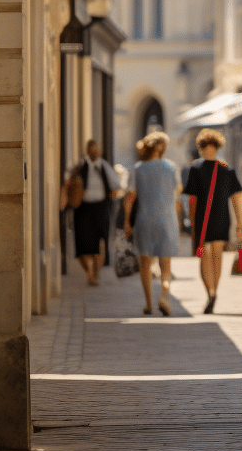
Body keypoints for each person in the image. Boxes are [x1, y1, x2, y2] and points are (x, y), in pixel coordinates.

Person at [182, 129, 242, 314]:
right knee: (217, 255)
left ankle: (209, 292)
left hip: (203, 218)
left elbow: (192, 199)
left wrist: (192, 223)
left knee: (205, 256)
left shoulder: (195, 169)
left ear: (201, 148)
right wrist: (240, 222)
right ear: (217, 147)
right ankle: (214, 291)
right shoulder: (226, 170)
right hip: (221, 216)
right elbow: (237, 196)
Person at [123, 132, 182, 316]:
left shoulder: (138, 168)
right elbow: (177, 196)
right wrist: (178, 221)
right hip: (167, 219)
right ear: (161, 148)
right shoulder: (171, 167)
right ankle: (164, 294)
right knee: (166, 264)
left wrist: (126, 222)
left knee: (145, 263)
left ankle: (149, 303)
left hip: (145, 219)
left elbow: (130, 198)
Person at [72, 140, 121, 286]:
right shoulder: (80, 167)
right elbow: (70, 182)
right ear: (87, 151)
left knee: (100, 241)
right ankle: (90, 271)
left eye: (96, 149)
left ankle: (96, 274)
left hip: (101, 208)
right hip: (83, 208)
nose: (94, 152)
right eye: (91, 149)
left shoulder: (104, 166)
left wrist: (111, 200)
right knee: (82, 244)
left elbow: (115, 185)